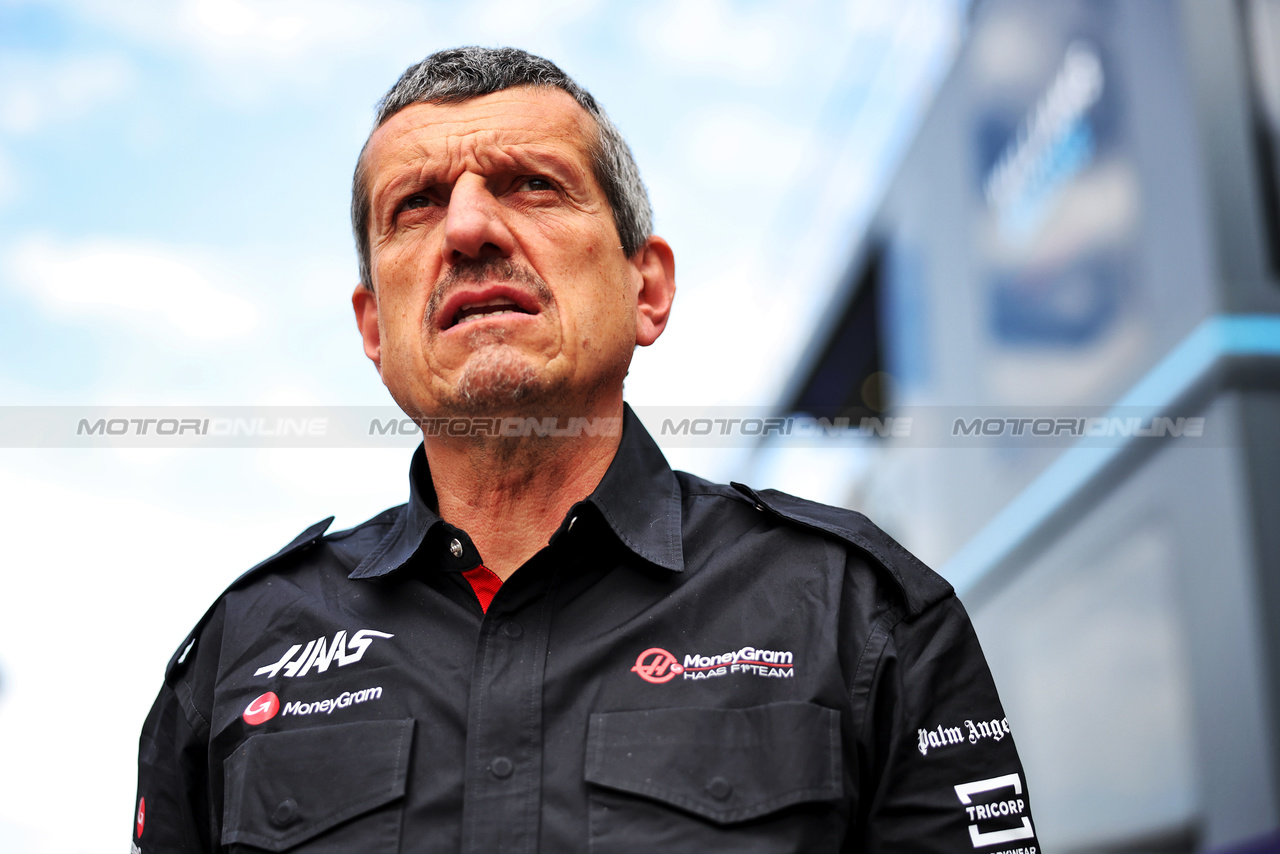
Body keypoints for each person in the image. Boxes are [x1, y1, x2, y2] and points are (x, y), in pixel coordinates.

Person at [133, 46, 1040, 853]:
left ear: (648, 288)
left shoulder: (863, 618)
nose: (468, 229)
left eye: (532, 184)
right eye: (414, 206)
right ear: (375, 330)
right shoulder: (236, 655)